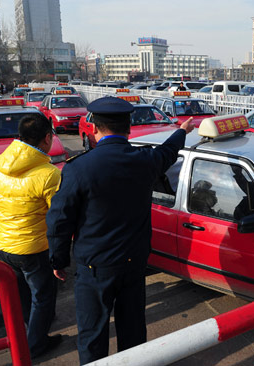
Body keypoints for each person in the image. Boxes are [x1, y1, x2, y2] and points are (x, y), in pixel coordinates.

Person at [46, 96, 194, 364]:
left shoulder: (79, 168)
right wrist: (181, 131)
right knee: (133, 331)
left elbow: (59, 220)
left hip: (95, 267)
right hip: (134, 264)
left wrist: (58, 259)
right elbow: (169, 151)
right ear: (129, 129)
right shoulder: (146, 160)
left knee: (92, 334)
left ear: (93, 128)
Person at [0, 113, 62, 359]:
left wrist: (0, 235)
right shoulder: (49, 174)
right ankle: (36, 344)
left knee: (22, 294)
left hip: (4, 246)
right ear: (47, 138)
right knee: (43, 297)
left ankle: (29, 333)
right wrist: (60, 255)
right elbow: (58, 219)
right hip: (34, 249)